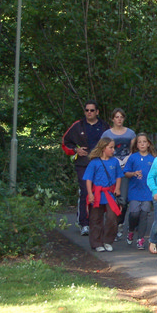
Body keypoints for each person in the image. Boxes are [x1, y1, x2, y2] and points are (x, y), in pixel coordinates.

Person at [61, 100, 108, 236]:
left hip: (100, 164)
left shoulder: (104, 127)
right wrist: (76, 150)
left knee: (98, 191)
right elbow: (65, 142)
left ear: (97, 112)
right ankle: (84, 223)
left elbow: (113, 144)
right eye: (87, 110)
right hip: (83, 164)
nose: (89, 113)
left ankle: (96, 222)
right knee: (85, 192)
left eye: (92, 110)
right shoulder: (78, 125)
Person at [83, 137, 123, 253]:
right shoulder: (94, 162)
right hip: (97, 194)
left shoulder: (115, 161)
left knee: (112, 217)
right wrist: (90, 194)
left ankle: (107, 241)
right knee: (95, 218)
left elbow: (119, 176)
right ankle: (96, 243)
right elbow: (88, 179)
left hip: (109, 193)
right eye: (111, 147)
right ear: (103, 148)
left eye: (113, 147)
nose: (113, 150)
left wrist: (118, 188)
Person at [102, 108, 136, 240]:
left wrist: (127, 161)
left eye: (121, 117)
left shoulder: (130, 133)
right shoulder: (106, 134)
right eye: (116, 117)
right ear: (112, 119)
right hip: (111, 168)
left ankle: (120, 223)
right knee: (111, 198)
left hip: (125, 167)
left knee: (123, 198)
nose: (119, 119)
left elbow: (133, 150)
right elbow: (103, 150)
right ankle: (112, 226)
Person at [124, 133, 155, 249]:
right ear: (136, 145)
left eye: (144, 142)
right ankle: (131, 230)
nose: (142, 144)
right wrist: (133, 173)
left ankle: (140, 239)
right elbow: (126, 173)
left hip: (147, 191)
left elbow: (156, 174)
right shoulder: (133, 157)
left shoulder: (152, 159)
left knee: (144, 215)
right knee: (134, 213)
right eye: (139, 142)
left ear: (148, 144)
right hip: (134, 191)